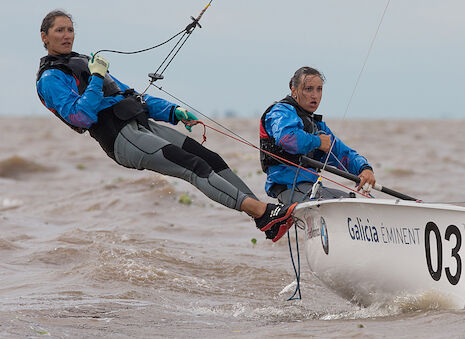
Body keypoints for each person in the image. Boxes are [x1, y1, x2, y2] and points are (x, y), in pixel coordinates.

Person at [36, 10, 296, 242]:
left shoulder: (83, 61)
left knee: (209, 157)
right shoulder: (51, 78)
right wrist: (95, 77)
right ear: (44, 37)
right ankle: (263, 213)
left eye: (70, 29)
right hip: (120, 138)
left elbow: (130, 95)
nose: (67, 35)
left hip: (140, 124)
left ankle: (266, 217)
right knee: (193, 167)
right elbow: (81, 117)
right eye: (60, 30)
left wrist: (172, 111)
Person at [260, 66, 376, 203]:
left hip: (310, 188)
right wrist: (318, 142)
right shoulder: (280, 112)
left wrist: (364, 168)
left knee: (354, 201)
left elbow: (342, 153)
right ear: (294, 90)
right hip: (287, 188)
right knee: (344, 202)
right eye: (308, 89)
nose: (315, 95)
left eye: (319, 89)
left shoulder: (317, 126)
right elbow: (287, 139)